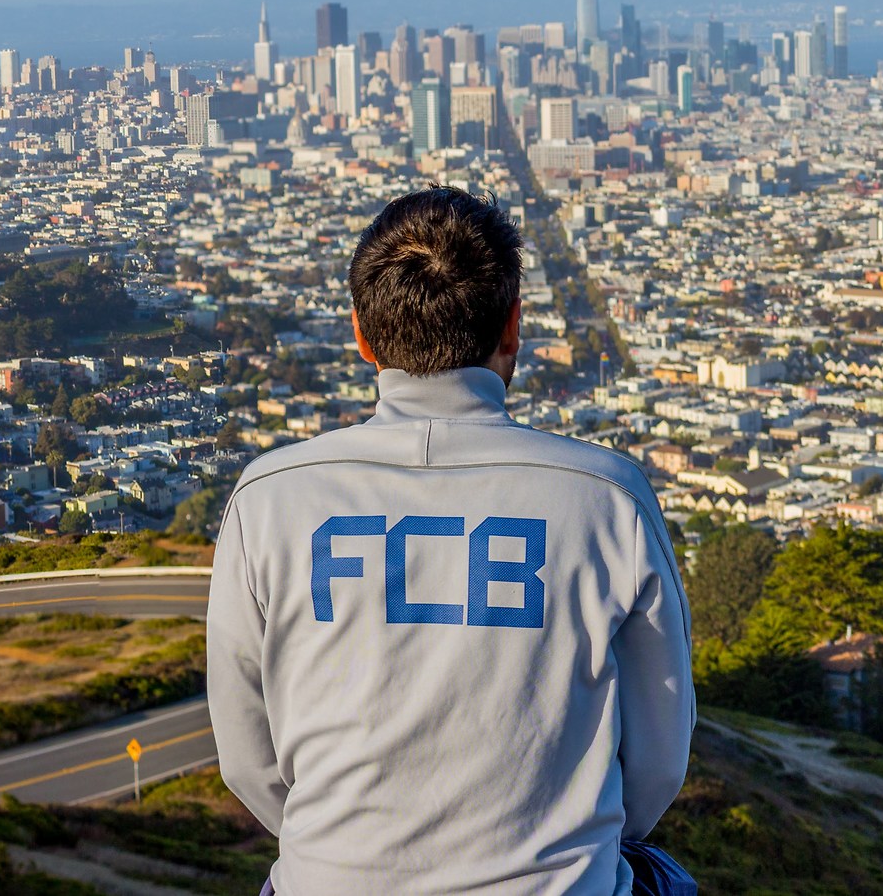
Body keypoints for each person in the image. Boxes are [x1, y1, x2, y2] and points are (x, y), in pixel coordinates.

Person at [208, 186, 695, 894]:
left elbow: (248, 762)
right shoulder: (608, 499)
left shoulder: (268, 498)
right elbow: (658, 764)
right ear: (513, 328)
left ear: (361, 336)